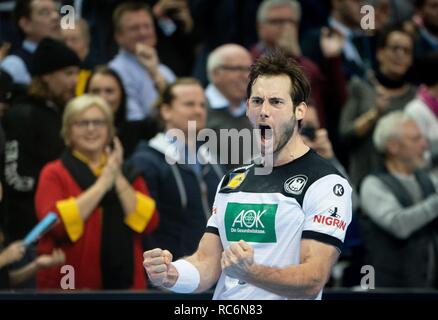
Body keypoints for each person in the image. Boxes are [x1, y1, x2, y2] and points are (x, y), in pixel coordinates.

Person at [143, 51, 352, 300]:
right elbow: (206, 262)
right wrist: (170, 274)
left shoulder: (326, 183)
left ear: (299, 111)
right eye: (256, 101)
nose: (263, 111)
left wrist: (251, 272)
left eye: (276, 102)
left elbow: (312, 279)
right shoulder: (233, 180)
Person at [34, 94, 159, 289]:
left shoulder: (127, 172)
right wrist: (103, 184)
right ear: (68, 130)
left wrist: (116, 176)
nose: (91, 129)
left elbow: (149, 222)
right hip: (69, 283)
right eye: (82, 123)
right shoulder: (54, 172)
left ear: (109, 130)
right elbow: (56, 225)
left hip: (127, 284)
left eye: (99, 122)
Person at [130, 78, 224, 262]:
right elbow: (147, 227)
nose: (198, 111)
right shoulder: (146, 161)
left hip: (213, 270)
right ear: (166, 111)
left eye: (202, 105)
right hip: (169, 273)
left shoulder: (212, 159)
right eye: (189, 104)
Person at [2, 37, 80, 243]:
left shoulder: (62, 112)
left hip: (60, 227)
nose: (75, 81)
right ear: (46, 76)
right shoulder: (23, 115)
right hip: (27, 235)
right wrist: (56, 188)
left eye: (76, 74)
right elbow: (15, 177)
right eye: (68, 73)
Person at [360, 111, 438, 288]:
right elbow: (399, 225)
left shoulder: (426, 180)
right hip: (388, 287)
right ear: (393, 147)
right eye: (415, 139)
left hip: (427, 286)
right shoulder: (373, 184)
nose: (424, 145)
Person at [339, 25, 416, 187]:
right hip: (365, 179)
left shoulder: (415, 97)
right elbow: (345, 135)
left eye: (406, 51)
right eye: (395, 48)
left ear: (411, 60)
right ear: (380, 53)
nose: (400, 55)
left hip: (405, 185)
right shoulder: (360, 87)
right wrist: (374, 114)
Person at [109, 1, 176, 121]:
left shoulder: (165, 71)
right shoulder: (115, 72)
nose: (143, 32)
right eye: (134, 28)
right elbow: (135, 121)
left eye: (147, 26)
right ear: (119, 36)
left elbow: (180, 110)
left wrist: (155, 72)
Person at [85, 66, 155, 158]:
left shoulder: (139, 131)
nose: (102, 98)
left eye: (109, 91)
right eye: (95, 91)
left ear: (121, 95)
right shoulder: (76, 133)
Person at [205, 44, 253, 169]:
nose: (245, 76)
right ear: (216, 74)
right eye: (237, 69)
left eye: (249, 69)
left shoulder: (257, 110)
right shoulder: (198, 110)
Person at [0, 0, 61, 86]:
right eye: (44, 12)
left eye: (57, 11)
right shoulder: (14, 65)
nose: (55, 17)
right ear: (25, 24)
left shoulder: (63, 58)